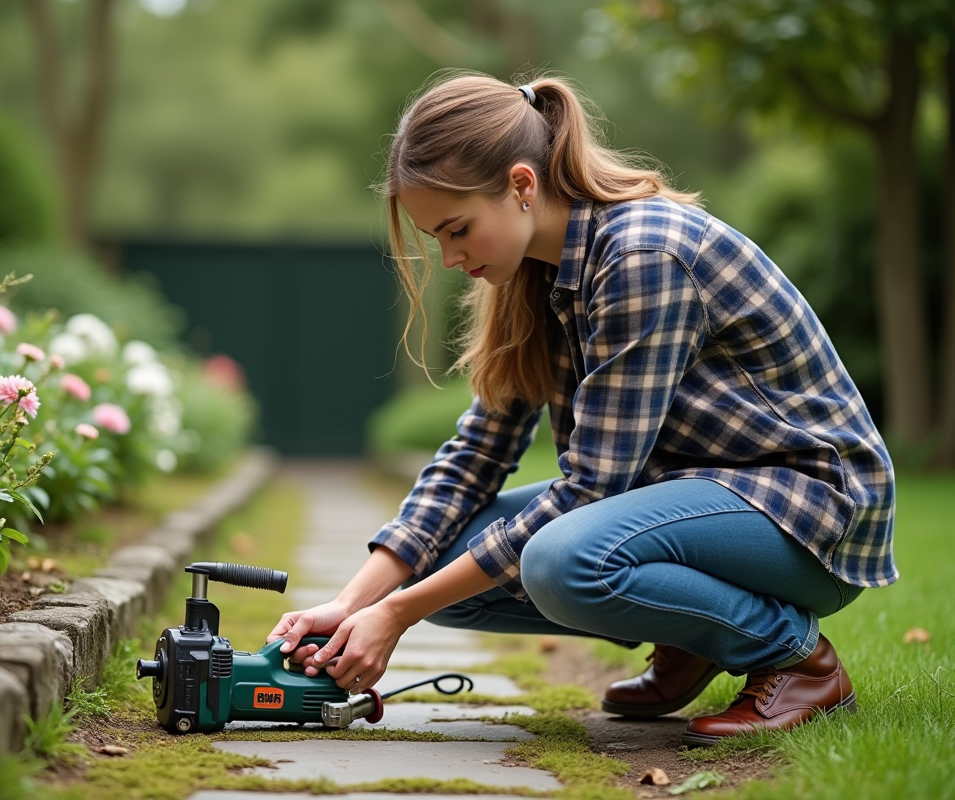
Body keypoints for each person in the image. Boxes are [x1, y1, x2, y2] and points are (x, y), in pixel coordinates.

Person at [266, 72, 895, 747]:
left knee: (559, 559)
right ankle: (691, 634)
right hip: (694, 502)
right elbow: (475, 457)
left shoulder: (642, 254)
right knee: (440, 557)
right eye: (437, 239)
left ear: (522, 185)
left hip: (808, 510)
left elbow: (590, 490)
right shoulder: (529, 275)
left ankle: (798, 662)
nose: (449, 258)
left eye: (457, 230)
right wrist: (356, 601)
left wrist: (398, 614)